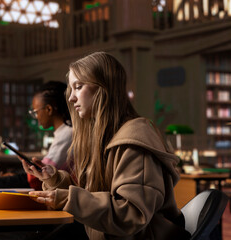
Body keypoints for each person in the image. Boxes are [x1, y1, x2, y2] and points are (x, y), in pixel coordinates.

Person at [23, 52, 191, 239]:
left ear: (104, 88)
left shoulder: (134, 141)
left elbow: (130, 215)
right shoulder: (106, 137)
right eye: (71, 89)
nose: (71, 98)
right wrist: (54, 180)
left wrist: (68, 198)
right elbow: (93, 196)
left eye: (78, 87)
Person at [0, 81, 72, 190]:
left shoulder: (67, 134)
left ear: (48, 109)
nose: (36, 117)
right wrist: (13, 177)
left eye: (36, 112)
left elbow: (40, 178)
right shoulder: (64, 133)